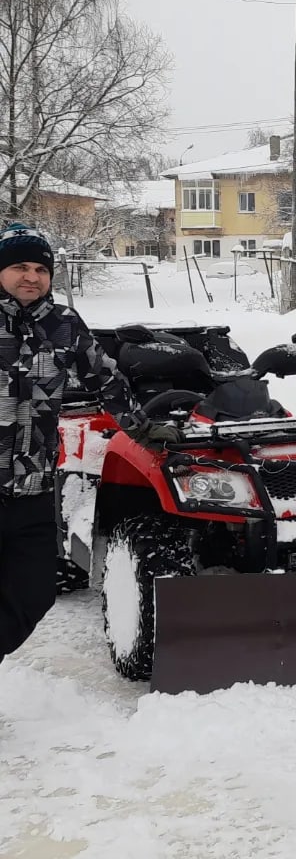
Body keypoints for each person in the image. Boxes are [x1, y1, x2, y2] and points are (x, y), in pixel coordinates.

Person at [0, 223, 170, 668]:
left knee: (35, 594)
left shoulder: (64, 325)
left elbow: (106, 381)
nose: (31, 276)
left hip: (32, 490)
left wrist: (144, 428)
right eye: (20, 266)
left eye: (40, 268)